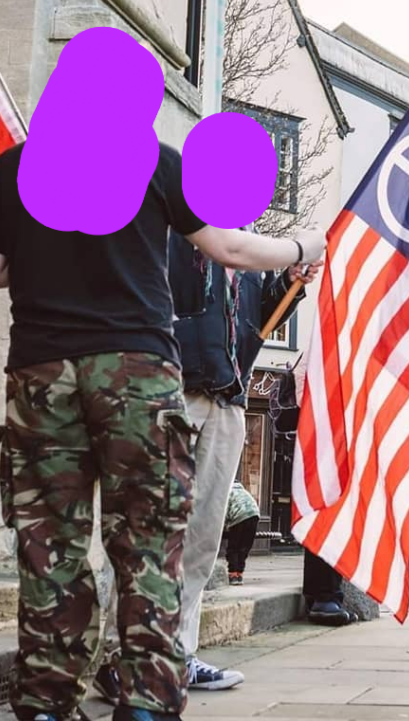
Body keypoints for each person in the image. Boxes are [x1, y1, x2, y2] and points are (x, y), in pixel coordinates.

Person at [0, 139, 324, 721]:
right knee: (148, 546)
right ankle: (143, 694)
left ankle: (59, 699)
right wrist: (300, 243)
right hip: (144, 377)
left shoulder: (18, 167)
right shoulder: (157, 175)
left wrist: (40, 260)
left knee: (67, 547)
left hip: (69, 373)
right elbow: (222, 251)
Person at [92, 234, 320, 699]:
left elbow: (254, 323)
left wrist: (289, 285)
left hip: (226, 404)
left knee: (200, 539)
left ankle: (179, 653)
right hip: (172, 398)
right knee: (148, 532)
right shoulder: (177, 235)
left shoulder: (252, 258)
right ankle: (120, 655)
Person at [267, 362, 357, 627]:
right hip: (323, 444)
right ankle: (325, 597)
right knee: (328, 518)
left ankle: (324, 595)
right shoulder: (325, 354)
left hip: (323, 443)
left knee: (328, 518)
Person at [224, 482, 261, 585]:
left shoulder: (228, 493)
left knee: (234, 547)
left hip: (239, 517)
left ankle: (233, 575)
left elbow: (225, 512)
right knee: (244, 547)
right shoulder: (244, 492)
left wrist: (225, 526)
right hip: (254, 516)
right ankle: (240, 574)